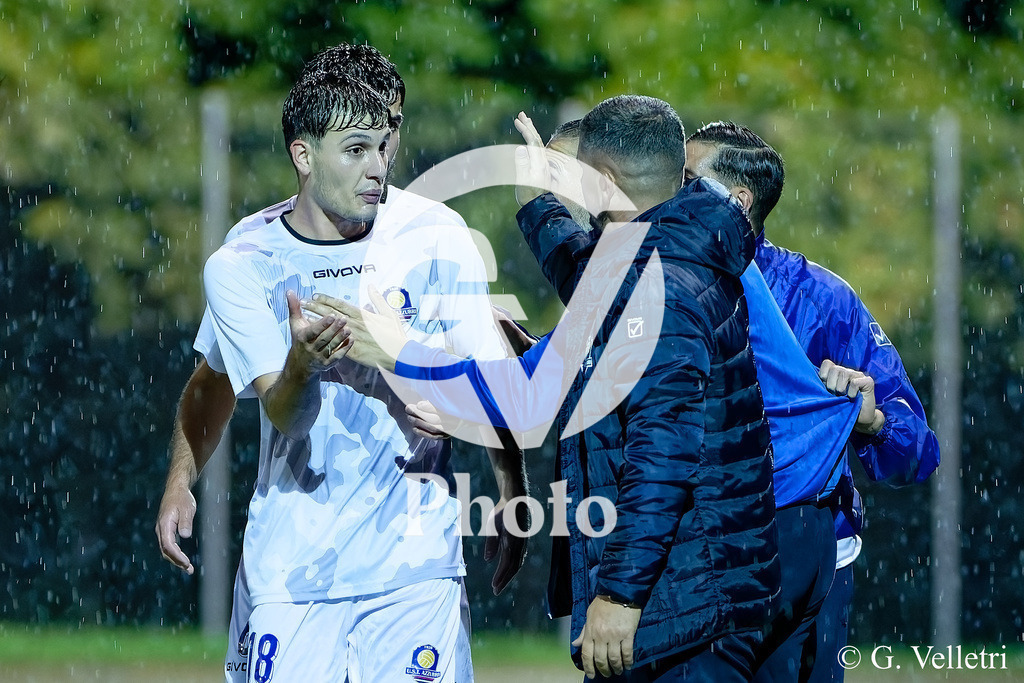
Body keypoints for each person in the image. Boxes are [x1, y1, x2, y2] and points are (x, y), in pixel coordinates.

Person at [312, 95, 783, 682]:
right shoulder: (666, 247)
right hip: (689, 598)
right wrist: (536, 202)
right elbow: (592, 285)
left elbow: (662, 459)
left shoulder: (659, 288)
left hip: (677, 611)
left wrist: (619, 595)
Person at [171, 47, 524, 682]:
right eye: (356, 148)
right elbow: (241, 394)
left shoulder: (439, 236)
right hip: (292, 567)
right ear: (303, 155)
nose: (378, 168)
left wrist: (511, 491)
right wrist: (180, 481)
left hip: (415, 569)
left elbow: (492, 386)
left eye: (386, 146)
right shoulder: (244, 260)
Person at [685, 121, 940, 681]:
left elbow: (917, 449)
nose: (671, 194)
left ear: (738, 200)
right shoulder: (667, 283)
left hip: (809, 556)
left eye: (686, 179)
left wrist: (872, 424)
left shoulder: (824, 298)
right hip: (695, 557)